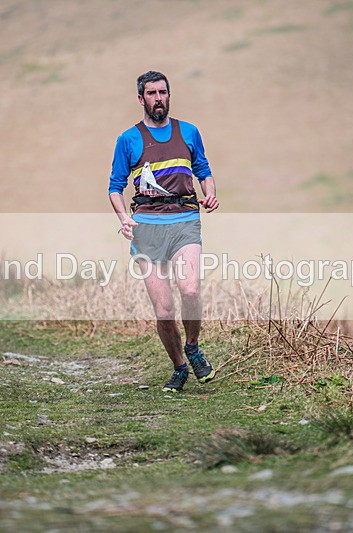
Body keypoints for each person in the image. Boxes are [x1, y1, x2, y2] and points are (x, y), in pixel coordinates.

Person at [108, 70, 219, 392]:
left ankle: (194, 347)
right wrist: (123, 218)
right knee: (165, 309)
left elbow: (204, 170)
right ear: (141, 99)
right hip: (147, 227)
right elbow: (115, 187)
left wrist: (210, 191)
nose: (159, 99)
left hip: (184, 220)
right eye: (152, 94)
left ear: (169, 96)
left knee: (190, 291)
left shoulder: (189, 132)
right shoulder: (128, 139)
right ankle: (179, 368)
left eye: (163, 93)